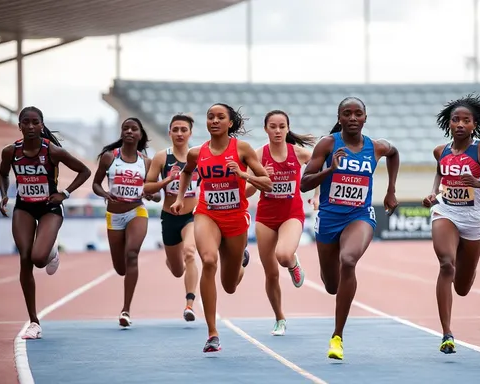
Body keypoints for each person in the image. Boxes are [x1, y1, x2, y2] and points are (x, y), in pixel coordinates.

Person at [300, 97, 400, 360]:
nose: (353, 118)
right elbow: (304, 183)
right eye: (347, 113)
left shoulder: (376, 147)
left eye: (358, 113)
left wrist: (391, 190)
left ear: (365, 118)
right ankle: (331, 280)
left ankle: (337, 336)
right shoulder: (328, 144)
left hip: (360, 215)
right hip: (329, 218)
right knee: (331, 285)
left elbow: (394, 153)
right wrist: (330, 169)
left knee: (349, 260)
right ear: (340, 117)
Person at [170, 103, 273, 353]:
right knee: (207, 261)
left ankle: (240, 264)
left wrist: (243, 174)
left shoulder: (243, 149)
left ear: (230, 123)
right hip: (207, 213)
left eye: (220, 117)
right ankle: (212, 333)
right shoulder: (197, 152)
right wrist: (180, 198)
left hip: (236, 218)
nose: (214, 121)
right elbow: (186, 173)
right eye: (210, 117)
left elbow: (267, 184)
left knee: (230, 285)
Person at [421, 94, 480, 354]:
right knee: (446, 264)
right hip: (445, 212)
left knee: (461, 287)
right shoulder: (441, 151)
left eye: (466, 120)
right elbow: (440, 172)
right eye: (455, 120)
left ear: (474, 124)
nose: (460, 124)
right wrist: (433, 193)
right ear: (449, 123)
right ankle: (447, 333)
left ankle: (464, 275)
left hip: (472, 220)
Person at [0, 106, 92, 339]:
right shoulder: (10, 151)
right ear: (19, 126)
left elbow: (85, 171)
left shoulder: (53, 151)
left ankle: (51, 250)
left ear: (42, 125)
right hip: (24, 207)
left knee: (39, 259)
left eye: (35, 122)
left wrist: (65, 193)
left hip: (50, 207)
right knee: (25, 258)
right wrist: (4, 195)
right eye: (26, 122)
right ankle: (34, 321)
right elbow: (3, 174)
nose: (30, 127)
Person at [244, 110, 319, 336]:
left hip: (291, 214)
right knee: (271, 274)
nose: (277, 131)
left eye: (281, 126)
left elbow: (321, 171)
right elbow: (245, 192)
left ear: (287, 128)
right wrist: (259, 179)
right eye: (273, 126)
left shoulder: (299, 153)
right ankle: (279, 318)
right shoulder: (257, 155)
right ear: (266, 129)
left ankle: (294, 263)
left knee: (284, 256)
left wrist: (316, 196)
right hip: (265, 218)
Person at [91, 117, 160, 327]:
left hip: (136, 211)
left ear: (140, 135)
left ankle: (126, 310)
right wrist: (104, 192)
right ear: (121, 133)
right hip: (114, 215)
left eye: (134, 129)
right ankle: (125, 301)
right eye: (125, 128)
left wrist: (151, 196)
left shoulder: (146, 162)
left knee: (132, 254)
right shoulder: (109, 157)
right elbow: (95, 184)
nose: (129, 131)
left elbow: (155, 194)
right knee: (120, 268)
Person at [143, 114, 201, 321]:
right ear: (169, 133)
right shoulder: (162, 157)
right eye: (175, 129)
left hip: (192, 216)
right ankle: (172, 261)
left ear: (190, 133)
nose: (179, 133)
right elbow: (147, 186)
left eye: (183, 130)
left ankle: (189, 304)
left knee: (190, 252)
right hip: (169, 217)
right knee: (177, 270)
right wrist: (167, 180)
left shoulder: (198, 156)